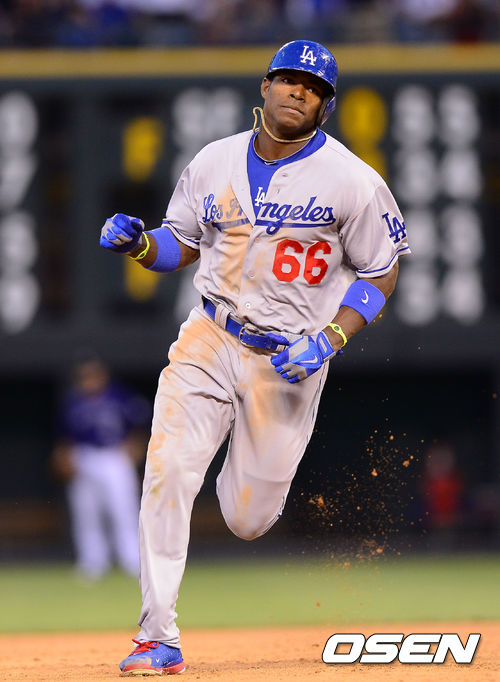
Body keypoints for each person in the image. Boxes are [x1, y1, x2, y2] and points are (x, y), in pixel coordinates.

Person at [100, 40, 410, 675]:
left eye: (314, 88)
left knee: (247, 518)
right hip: (210, 337)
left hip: (289, 357)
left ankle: (234, 461)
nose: (299, 92)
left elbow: (381, 270)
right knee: (167, 471)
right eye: (290, 80)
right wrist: (140, 246)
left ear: (325, 107)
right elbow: (181, 243)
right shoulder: (214, 161)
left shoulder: (352, 179)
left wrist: (332, 337)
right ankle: (157, 636)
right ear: (266, 86)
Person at [52, 355, 150, 579]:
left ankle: (132, 560)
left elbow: (140, 425)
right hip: (83, 456)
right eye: (85, 377)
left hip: (114, 455)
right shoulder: (73, 402)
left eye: (93, 375)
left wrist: (135, 449)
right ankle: (92, 561)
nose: (89, 380)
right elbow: (63, 437)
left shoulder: (119, 397)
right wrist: (64, 457)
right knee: (86, 512)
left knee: (123, 509)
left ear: (103, 376)